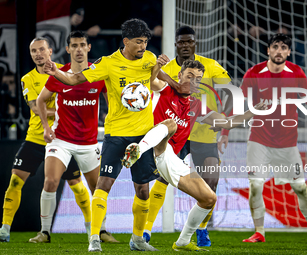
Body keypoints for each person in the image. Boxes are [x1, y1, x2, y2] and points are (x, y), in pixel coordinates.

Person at [42, 19, 191, 252]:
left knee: (142, 189)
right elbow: (74, 79)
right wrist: (54, 73)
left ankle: (138, 239)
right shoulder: (108, 64)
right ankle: (94, 238)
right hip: (116, 135)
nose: (143, 46)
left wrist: (173, 83)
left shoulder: (150, 58)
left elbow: (157, 80)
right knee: (103, 186)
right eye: (139, 42)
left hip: (143, 137)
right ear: (126, 41)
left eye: (145, 42)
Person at [122, 58, 266, 251]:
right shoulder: (166, 89)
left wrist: (253, 111)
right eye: (189, 76)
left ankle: (182, 241)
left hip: (169, 158)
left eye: (198, 78)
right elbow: (152, 79)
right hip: (151, 147)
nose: (193, 81)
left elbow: (226, 122)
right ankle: (138, 149)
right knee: (170, 125)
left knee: (209, 199)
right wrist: (158, 65)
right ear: (179, 75)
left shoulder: (198, 105)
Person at [230, 33, 307, 243]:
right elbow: (238, 102)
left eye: (284, 47)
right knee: (256, 186)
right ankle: (259, 232)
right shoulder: (254, 72)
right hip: (258, 139)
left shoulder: (296, 72)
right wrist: (225, 132)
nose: (279, 51)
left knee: (300, 188)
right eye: (275, 47)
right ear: (268, 50)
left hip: (287, 143)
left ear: (288, 51)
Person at [142, 25, 232, 247]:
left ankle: (201, 230)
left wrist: (225, 129)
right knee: (163, 179)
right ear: (176, 44)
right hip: (177, 133)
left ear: (195, 43)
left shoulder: (210, 65)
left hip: (204, 131)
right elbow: (152, 82)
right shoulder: (169, 67)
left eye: (188, 41)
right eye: (181, 42)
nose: (185, 45)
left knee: (211, 180)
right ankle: (146, 230)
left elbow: (230, 91)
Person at [28, 31, 117, 244]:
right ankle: (45, 232)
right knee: (50, 181)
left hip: (89, 142)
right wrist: (46, 127)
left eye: (82, 45)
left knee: (98, 188)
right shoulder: (59, 74)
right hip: (61, 140)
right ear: (68, 49)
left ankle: (101, 230)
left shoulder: (97, 75)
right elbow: (40, 101)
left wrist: (112, 120)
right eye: (74, 45)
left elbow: (112, 101)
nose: (78, 49)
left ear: (88, 48)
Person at [0, 37, 87, 243]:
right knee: (14, 181)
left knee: (76, 184)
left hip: (63, 140)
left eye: (41, 50)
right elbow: (34, 108)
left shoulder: (66, 73)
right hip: (35, 138)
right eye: (33, 51)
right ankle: (4, 228)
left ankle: (93, 228)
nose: (37, 54)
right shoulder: (27, 78)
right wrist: (61, 110)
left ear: (50, 51)